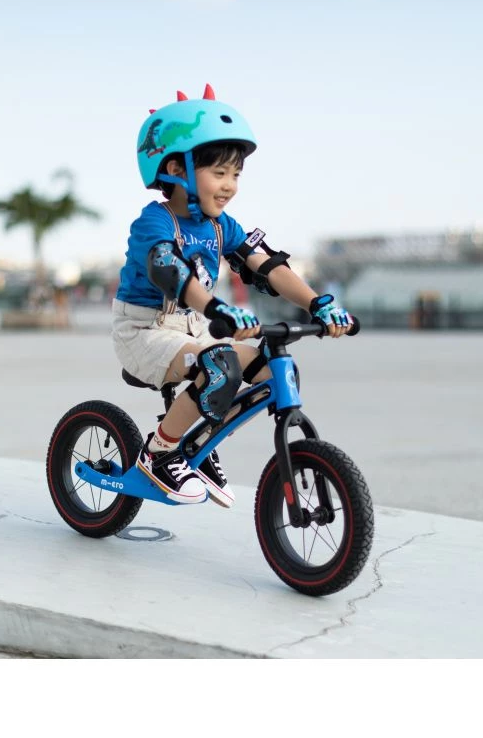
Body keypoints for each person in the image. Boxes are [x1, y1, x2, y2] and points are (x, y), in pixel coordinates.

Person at [112, 84, 355, 507]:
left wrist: (319, 303)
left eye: (236, 175)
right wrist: (217, 307)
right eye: (219, 173)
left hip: (192, 329)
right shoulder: (154, 223)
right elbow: (170, 271)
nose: (230, 186)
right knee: (221, 368)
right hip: (143, 332)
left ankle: (199, 442)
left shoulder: (222, 225)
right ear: (175, 168)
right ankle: (159, 452)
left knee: (272, 371)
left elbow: (267, 266)